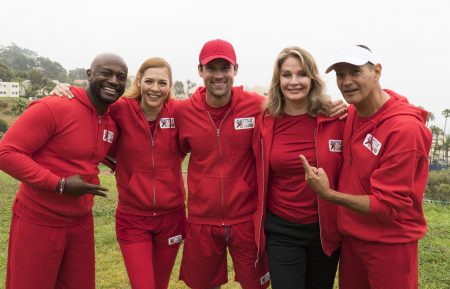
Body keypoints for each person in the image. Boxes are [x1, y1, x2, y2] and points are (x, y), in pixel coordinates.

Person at [300, 45, 432, 289]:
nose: (346, 81)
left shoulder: (404, 130)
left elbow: (388, 204)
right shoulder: (352, 114)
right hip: (352, 240)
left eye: (355, 72)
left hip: (390, 245)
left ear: (377, 71)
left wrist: (328, 194)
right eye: (340, 74)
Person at [50, 57, 186, 289]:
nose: (155, 88)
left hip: (171, 218)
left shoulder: (179, 112)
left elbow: (210, 107)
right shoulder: (120, 109)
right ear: (139, 82)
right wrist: (64, 89)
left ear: (170, 86)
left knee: (160, 285)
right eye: (149, 81)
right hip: (133, 218)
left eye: (162, 83)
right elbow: (90, 113)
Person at [0, 53, 128, 289]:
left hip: (81, 222)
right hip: (39, 219)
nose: (113, 81)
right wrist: (59, 184)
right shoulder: (54, 106)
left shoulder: (112, 120)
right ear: (89, 75)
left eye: (121, 77)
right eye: (106, 73)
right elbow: (6, 153)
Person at [175, 39, 270, 289]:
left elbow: (297, 106)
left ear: (235, 70)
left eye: (225, 68)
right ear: (200, 71)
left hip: (246, 219)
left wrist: (332, 107)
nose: (219, 75)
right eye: (211, 68)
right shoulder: (183, 112)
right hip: (202, 220)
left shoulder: (257, 105)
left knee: (256, 285)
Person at [252, 46, 343, 289]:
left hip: (324, 232)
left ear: (312, 79)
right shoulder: (266, 120)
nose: (294, 81)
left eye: (301, 74)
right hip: (282, 230)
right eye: (286, 75)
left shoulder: (336, 119)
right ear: (277, 80)